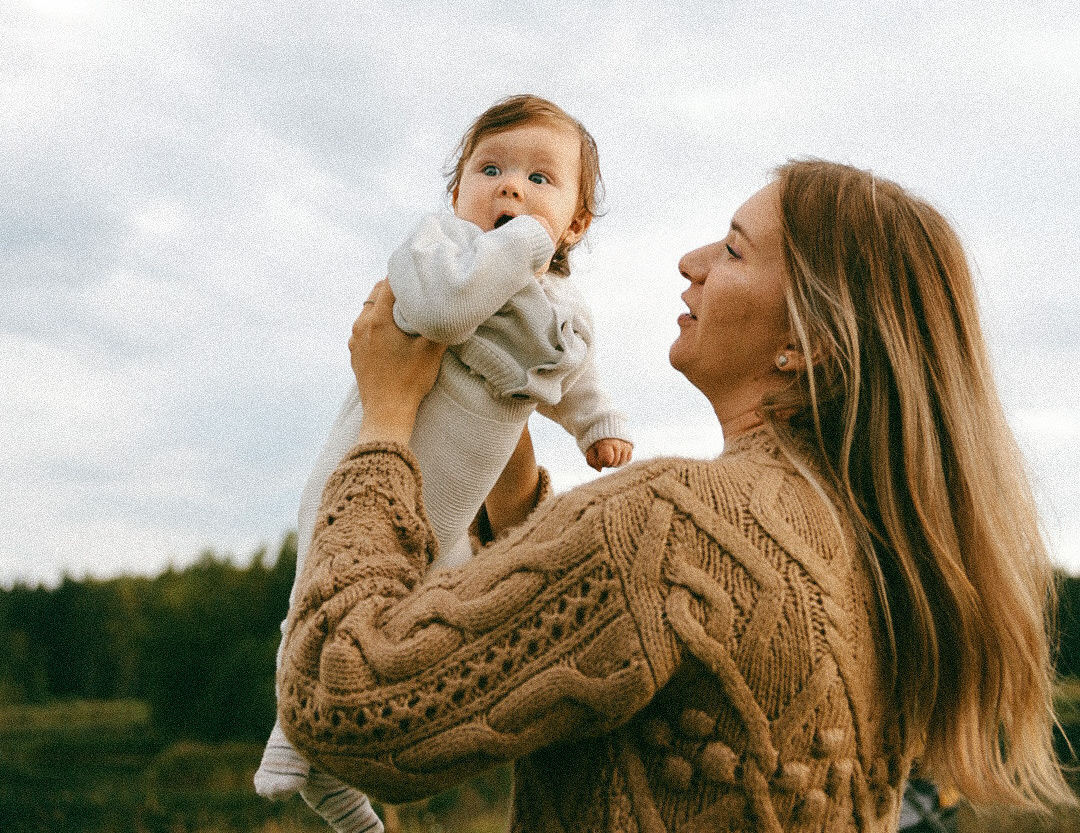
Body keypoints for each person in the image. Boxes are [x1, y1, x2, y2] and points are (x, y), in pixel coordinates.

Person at [276, 160, 1072, 833]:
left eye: (733, 249)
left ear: (808, 343)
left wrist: (386, 422)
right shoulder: (877, 555)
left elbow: (345, 705)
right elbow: (606, 632)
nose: (692, 261)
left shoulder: (669, 524)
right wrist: (507, 463)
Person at [255, 94, 632, 833]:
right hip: (373, 461)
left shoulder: (560, 304)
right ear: (456, 192)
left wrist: (597, 424)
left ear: (577, 224)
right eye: (489, 170)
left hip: (454, 509)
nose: (511, 187)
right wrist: (519, 246)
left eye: (540, 179)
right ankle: (292, 735)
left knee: (415, 614)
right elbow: (443, 315)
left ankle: (333, 767)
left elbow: (570, 372)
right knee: (324, 589)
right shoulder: (437, 252)